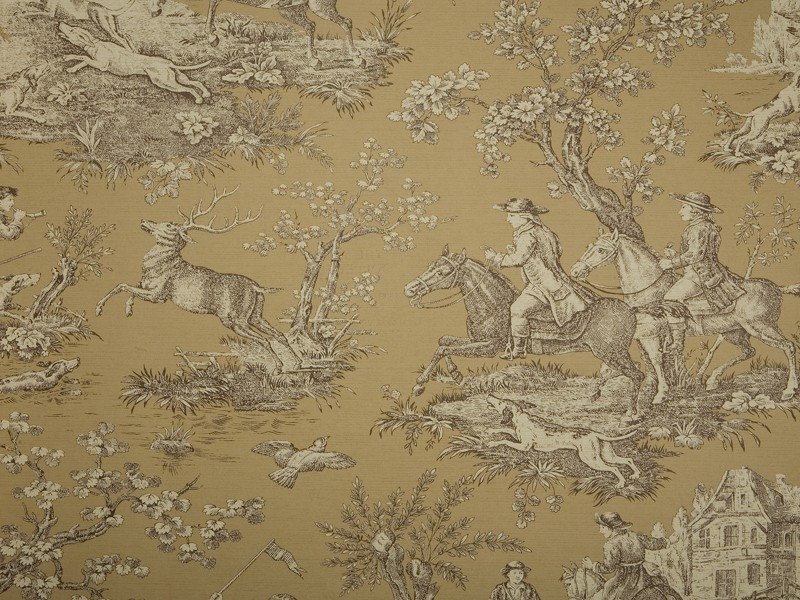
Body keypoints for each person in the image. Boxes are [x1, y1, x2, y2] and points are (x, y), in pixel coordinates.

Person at [484, 197, 596, 359]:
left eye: (511, 215)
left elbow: (519, 259)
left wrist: (496, 257)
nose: (508, 219)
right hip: (554, 279)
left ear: (524, 216)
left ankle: (519, 350)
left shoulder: (527, 235)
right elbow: (557, 251)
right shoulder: (544, 231)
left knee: (517, 310)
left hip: (542, 285)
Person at [658, 191, 744, 354]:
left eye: (684, 207)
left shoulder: (698, 228)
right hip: (702, 270)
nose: (680, 211)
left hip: (700, 274)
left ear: (695, 210)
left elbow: (696, 255)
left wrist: (671, 263)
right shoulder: (704, 226)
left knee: (670, 299)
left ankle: (677, 343)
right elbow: (699, 253)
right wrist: (676, 255)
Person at [582, 512, 680, 600]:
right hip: (644, 575)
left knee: (608, 590)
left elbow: (609, 568)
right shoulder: (635, 536)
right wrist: (668, 541)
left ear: (613, 528)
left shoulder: (611, 545)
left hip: (626, 580)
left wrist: (592, 566)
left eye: (602, 527)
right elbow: (652, 543)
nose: (600, 531)